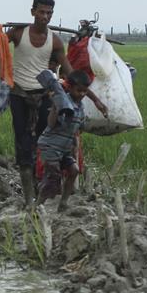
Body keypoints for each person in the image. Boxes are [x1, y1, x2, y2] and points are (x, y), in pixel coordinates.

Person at [6, 0, 73, 204]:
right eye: (41, 12)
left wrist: (88, 88)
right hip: (19, 95)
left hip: (43, 97)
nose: (45, 16)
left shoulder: (55, 41)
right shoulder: (18, 33)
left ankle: (42, 189)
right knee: (23, 143)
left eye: (49, 13)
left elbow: (68, 70)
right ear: (32, 11)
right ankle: (28, 197)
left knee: (43, 142)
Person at [34, 70, 107, 211]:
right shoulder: (63, 102)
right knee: (52, 178)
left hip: (65, 148)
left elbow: (77, 130)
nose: (82, 94)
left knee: (74, 171)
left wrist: (74, 149)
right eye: (78, 90)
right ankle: (38, 205)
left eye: (85, 91)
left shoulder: (80, 107)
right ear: (70, 88)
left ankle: (63, 203)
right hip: (50, 145)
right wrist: (55, 107)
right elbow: (50, 124)